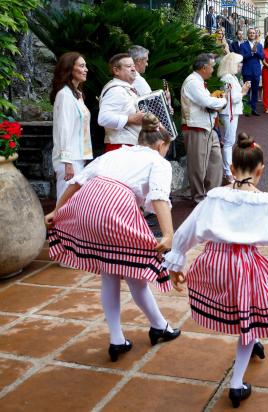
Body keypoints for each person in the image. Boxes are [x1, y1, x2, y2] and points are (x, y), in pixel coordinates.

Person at [164, 132, 268, 408]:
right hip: (244, 265)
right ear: (260, 171)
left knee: (248, 308)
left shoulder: (214, 198)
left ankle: (253, 340)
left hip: (214, 265)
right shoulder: (266, 203)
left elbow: (188, 229)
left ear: (231, 168)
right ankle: (236, 385)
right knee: (249, 315)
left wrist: (177, 260)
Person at [46, 114, 182, 362]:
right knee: (137, 269)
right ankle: (159, 326)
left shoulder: (115, 153)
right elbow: (160, 197)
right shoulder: (158, 162)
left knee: (110, 270)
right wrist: (169, 234)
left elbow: (77, 183)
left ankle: (118, 338)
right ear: (161, 145)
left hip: (87, 205)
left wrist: (57, 210)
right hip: (115, 208)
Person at [181, 53, 227, 203]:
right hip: (195, 127)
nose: (213, 70)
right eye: (212, 67)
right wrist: (223, 101)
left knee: (215, 161)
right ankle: (199, 198)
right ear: (203, 68)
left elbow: (209, 102)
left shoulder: (198, 81)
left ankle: (211, 195)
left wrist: (216, 101)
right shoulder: (193, 82)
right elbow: (208, 102)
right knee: (198, 166)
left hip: (206, 127)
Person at [50, 52, 93, 203]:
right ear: (70, 69)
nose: (86, 69)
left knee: (75, 202)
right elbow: (64, 130)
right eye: (81, 66)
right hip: (68, 159)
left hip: (77, 157)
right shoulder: (65, 96)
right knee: (65, 202)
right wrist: (67, 163)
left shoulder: (77, 95)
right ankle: (57, 227)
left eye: (85, 65)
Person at [98, 53, 144, 153]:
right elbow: (103, 118)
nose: (133, 69)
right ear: (116, 70)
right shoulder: (115, 90)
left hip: (127, 146)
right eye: (128, 66)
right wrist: (130, 119)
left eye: (133, 66)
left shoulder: (125, 88)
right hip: (120, 148)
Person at [218, 53, 251, 185]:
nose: (241, 65)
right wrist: (243, 91)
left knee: (229, 141)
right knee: (228, 142)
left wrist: (243, 91)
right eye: (239, 63)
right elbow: (231, 98)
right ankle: (228, 171)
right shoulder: (228, 78)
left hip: (231, 112)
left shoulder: (231, 77)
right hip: (228, 112)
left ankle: (229, 169)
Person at [240, 28, 264, 116]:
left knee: (255, 91)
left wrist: (256, 52)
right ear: (247, 34)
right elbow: (241, 57)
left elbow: (262, 57)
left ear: (255, 34)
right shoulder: (243, 45)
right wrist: (251, 53)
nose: (252, 34)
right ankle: (247, 109)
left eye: (253, 33)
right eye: (250, 33)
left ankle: (253, 108)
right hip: (247, 71)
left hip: (256, 71)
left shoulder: (259, 45)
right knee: (246, 91)